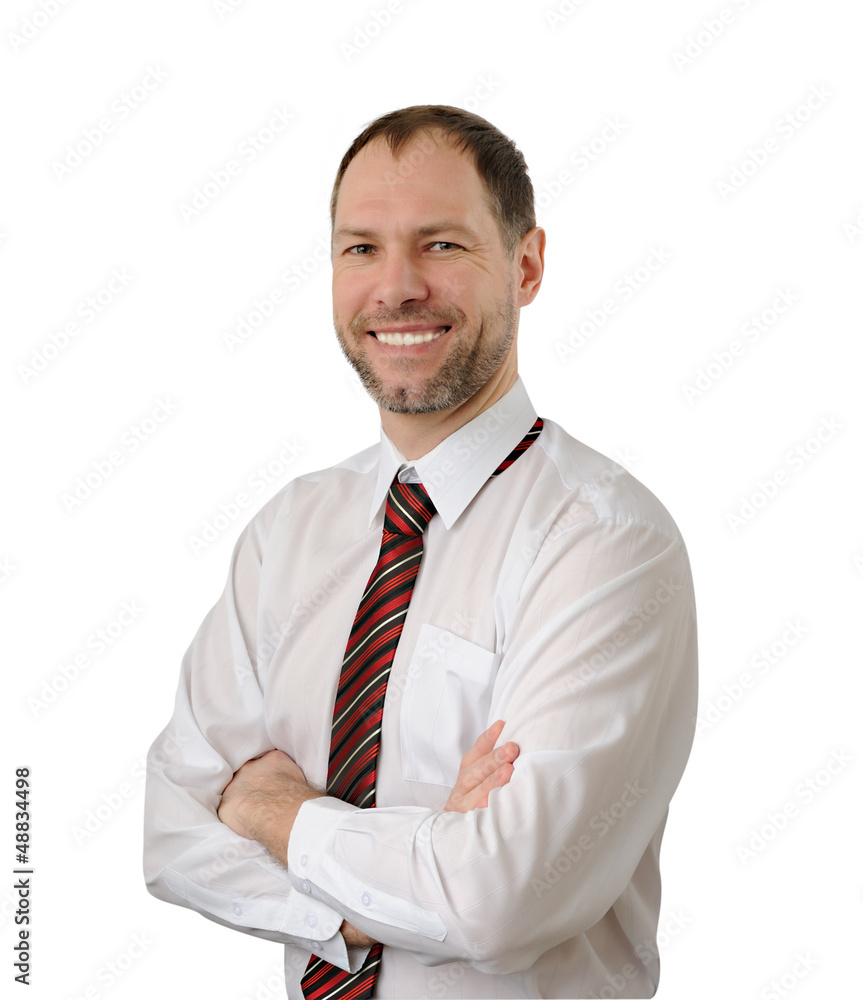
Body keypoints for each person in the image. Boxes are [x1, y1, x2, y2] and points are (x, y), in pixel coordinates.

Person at [144, 105, 697, 999]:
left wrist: (270, 808)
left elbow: (503, 899)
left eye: (440, 245)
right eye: (360, 248)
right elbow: (172, 836)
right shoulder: (287, 532)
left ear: (525, 266)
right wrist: (417, 858)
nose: (395, 288)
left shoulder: (604, 541)